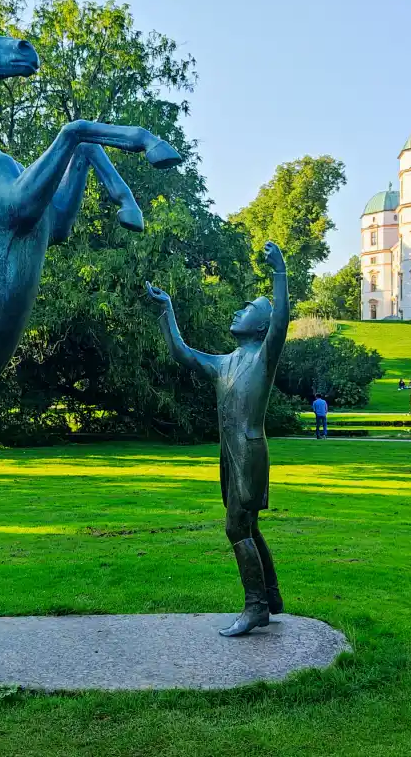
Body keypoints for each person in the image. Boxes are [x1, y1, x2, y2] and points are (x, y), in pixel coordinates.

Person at [146, 241, 289, 637]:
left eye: (246, 310)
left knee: (236, 528)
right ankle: (272, 596)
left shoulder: (263, 358)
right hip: (231, 454)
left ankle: (255, 606)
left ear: (259, 328)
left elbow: (281, 325)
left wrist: (280, 273)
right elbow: (182, 352)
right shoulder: (224, 364)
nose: (236, 311)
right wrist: (167, 310)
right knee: (248, 525)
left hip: (250, 451)